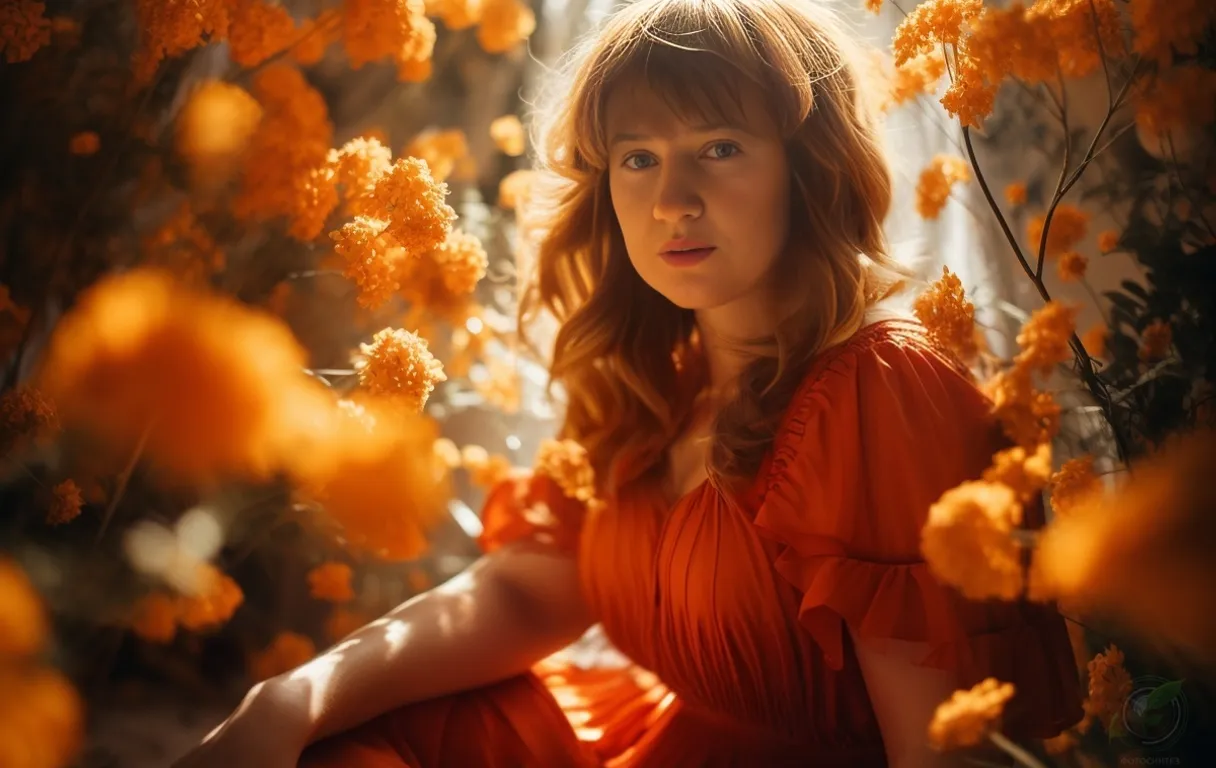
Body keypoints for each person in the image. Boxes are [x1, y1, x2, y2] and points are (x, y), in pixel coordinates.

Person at [172, 1, 1084, 766]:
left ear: (807, 171)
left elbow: (939, 752)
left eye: (719, 148)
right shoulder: (656, 377)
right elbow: (524, 592)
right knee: (344, 746)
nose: (670, 201)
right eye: (638, 158)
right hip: (652, 740)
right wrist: (288, 701)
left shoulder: (884, 390)